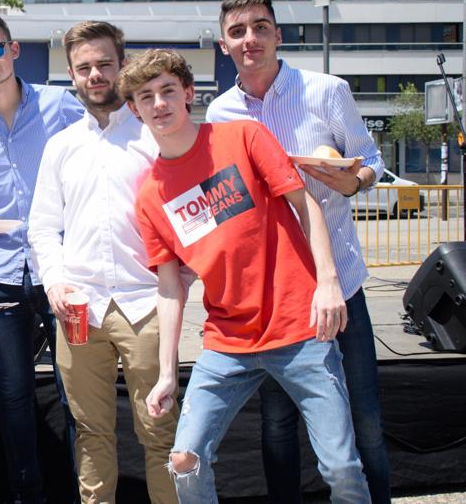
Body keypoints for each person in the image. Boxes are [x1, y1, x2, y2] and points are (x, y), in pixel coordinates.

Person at [119, 49, 369, 503]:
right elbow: (170, 287)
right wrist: (166, 373)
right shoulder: (149, 196)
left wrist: (328, 283)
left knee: (341, 466)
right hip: (227, 344)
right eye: (146, 96)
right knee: (184, 459)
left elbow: (305, 204)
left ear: (189, 93)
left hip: (300, 328)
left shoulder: (244, 137)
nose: (159, 104)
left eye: (168, 90)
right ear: (134, 108)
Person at [204, 0, 390, 503]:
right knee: (278, 422)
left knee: (365, 419)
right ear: (224, 45)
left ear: (278, 34)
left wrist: (354, 182)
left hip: (342, 283)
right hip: (277, 294)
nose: (250, 39)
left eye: (260, 27)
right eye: (238, 31)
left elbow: (370, 159)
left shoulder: (327, 91)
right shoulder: (220, 115)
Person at [29, 21, 177, 504]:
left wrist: (180, 279)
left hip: (148, 306)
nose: (95, 75)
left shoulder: (155, 138)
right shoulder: (61, 146)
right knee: (91, 435)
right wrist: (53, 282)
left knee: (160, 435)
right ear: (71, 74)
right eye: (84, 67)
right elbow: (43, 228)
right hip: (80, 310)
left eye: (104, 64)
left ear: (122, 65)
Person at [0, 11, 84, 502]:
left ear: (13, 49)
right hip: (0, 276)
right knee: (13, 393)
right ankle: (28, 494)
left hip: (64, 273)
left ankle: (80, 491)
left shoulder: (62, 106)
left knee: (75, 393)